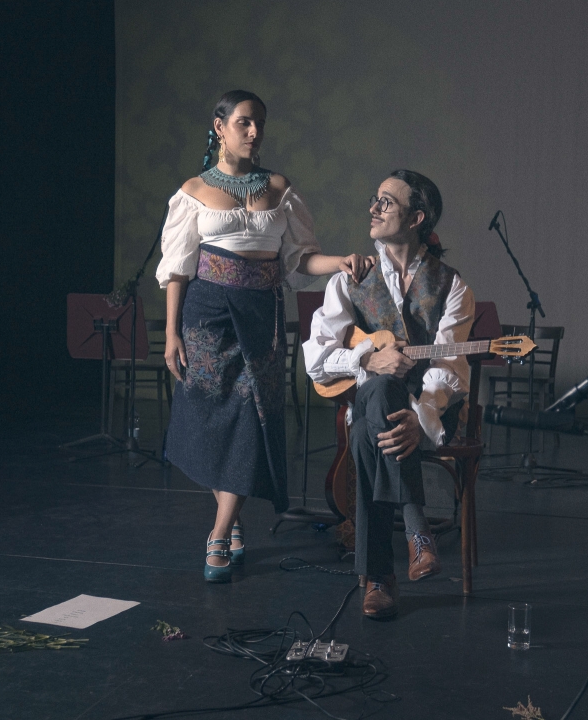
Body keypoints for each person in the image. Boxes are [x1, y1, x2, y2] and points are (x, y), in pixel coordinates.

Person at [155, 90, 373, 583]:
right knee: (216, 419)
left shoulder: (280, 188)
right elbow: (177, 270)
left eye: (260, 125)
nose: (255, 133)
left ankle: (220, 531)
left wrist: (338, 261)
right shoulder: (192, 191)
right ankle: (230, 526)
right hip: (206, 315)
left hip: (262, 316)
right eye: (245, 123)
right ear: (220, 127)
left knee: (250, 417)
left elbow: (299, 260)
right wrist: (171, 333)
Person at [303, 170, 475, 618]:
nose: (373, 209)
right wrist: (364, 357)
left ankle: (378, 577)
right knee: (378, 386)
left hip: (430, 411)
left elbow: (449, 366)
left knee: (365, 435)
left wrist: (420, 417)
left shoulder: (452, 285)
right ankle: (418, 531)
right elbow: (315, 360)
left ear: (416, 218)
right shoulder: (351, 277)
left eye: (386, 202)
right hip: (375, 402)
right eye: (374, 199)